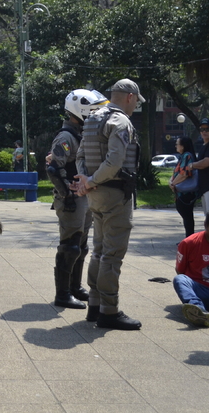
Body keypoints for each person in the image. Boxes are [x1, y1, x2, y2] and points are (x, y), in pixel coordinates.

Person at [73, 78, 144, 331]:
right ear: (129, 97)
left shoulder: (92, 118)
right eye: (136, 100)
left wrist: (86, 181)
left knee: (99, 250)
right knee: (112, 255)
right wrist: (90, 180)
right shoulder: (120, 121)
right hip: (115, 194)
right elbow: (115, 162)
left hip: (96, 195)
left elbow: (81, 155)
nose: (135, 106)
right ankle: (109, 311)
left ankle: (94, 304)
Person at [50, 89, 108, 309]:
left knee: (81, 246)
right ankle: (62, 294)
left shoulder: (80, 134)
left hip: (82, 196)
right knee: (70, 246)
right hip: (71, 198)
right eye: (92, 111)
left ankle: (75, 287)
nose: (96, 114)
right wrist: (67, 195)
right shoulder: (66, 137)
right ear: (81, 110)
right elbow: (54, 168)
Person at [169, 136, 198, 238]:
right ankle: (189, 238)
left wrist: (173, 184)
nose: (176, 146)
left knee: (187, 216)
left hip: (186, 193)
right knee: (187, 217)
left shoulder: (187, 156)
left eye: (177, 144)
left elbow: (185, 173)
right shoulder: (183, 156)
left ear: (183, 146)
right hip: (181, 192)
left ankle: (189, 239)